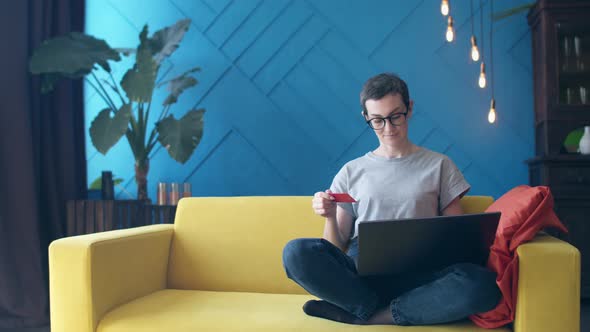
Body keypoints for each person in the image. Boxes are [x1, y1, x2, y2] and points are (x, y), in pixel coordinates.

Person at [282, 73, 501, 326]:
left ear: (409, 109)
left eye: (395, 116)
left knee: (481, 285)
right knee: (296, 253)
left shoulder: (439, 165)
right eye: (377, 120)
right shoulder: (351, 171)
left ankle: (370, 316)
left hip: (423, 280)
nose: (388, 128)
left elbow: (458, 237)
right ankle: (371, 307)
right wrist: (330, 215)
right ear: (367, 118)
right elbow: (335, 245)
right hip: (363, 279)